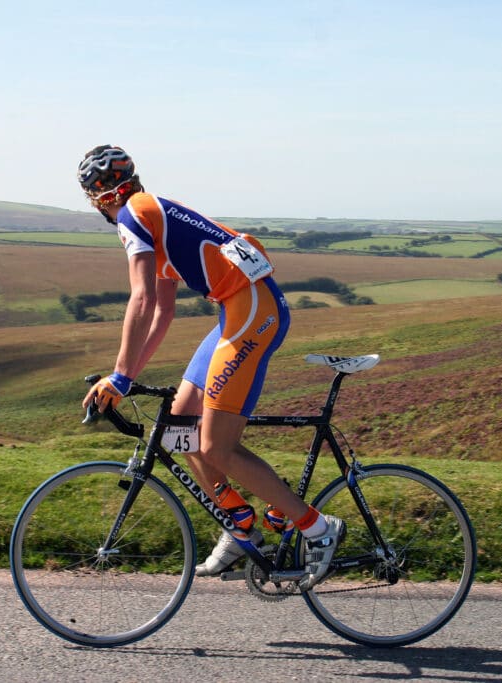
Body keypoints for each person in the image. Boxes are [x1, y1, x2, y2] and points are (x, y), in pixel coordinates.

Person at [78, 145, 344, 589]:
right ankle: (239, 523)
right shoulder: (151, 211)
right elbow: (162, 314)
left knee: (217, 446)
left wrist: (120, 377)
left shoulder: (132, 215)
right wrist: (125, 376)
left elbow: (141, 300)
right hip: (239, 310)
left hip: (252, 311)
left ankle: (317, 527)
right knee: (177, 424)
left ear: (98, 197)